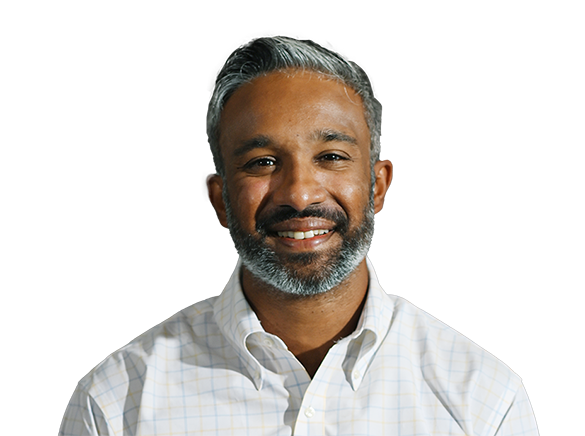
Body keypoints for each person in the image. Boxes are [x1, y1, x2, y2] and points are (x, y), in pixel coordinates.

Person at [59, 35, 538, 436]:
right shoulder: (117, 402)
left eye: (331, 156)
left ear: (377, 185)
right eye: (263, 162)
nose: (300, 193)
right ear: (221, 200)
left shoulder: (484, 400)